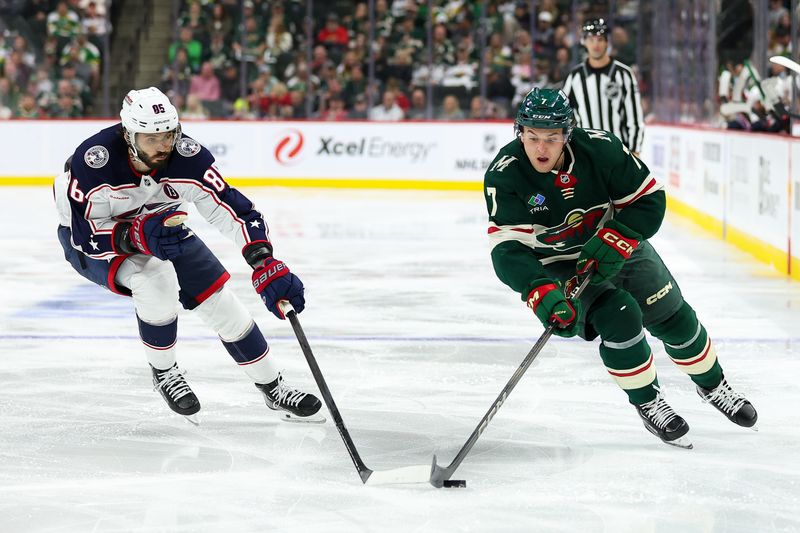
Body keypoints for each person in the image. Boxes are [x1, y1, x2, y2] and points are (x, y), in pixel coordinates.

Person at [484, 87, 757, 448]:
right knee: (620, 315)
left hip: (619, 243)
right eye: (532, 137)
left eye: (551, 138)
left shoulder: (601, 149)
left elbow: (649, 199)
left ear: (568, 134)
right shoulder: (506, 174)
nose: (541, 149)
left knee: (673, 316)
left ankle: (713, 385)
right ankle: (649, 402)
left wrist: (618, 238)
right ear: (519, 132)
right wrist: (539, 290)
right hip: (558, 264)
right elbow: (507, 250)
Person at [53, 87, 323, 424]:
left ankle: (273, 387)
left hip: (163, 230)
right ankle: (164, 372)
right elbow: (84, 237)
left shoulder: (187, 157)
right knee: (155, 279)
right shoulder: (94, 162)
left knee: (222, 303)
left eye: (168, 133)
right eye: (152, 138)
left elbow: (234, 211)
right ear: (129, 135)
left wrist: (263, 260)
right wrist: (134, 234)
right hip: (101, 241)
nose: (164, 145)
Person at [562, 18, 644, 155]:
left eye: (600, 39)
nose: (596, 44)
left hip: (618, 151)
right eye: (591, 39)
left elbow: (634, 116)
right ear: (584, 42)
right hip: (586, 153)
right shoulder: (575, 76)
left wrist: (635, 150)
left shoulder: (623, 74)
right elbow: (564, 115)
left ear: (607, 42)